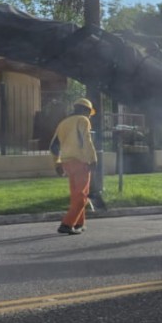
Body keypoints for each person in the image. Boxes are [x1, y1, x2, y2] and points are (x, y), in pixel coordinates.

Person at [51, 98, 98, 235]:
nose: (90, 116)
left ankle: (79, 223)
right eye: (89, 113)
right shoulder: (83, 120)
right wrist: (93, 159)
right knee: (82, 196)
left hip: (67, 163)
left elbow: (53, 146)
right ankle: (67, 224)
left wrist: (57, 163)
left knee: (76, 196)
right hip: (81, 162)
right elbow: (87, 141)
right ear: (86, 110)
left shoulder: (63, 123)